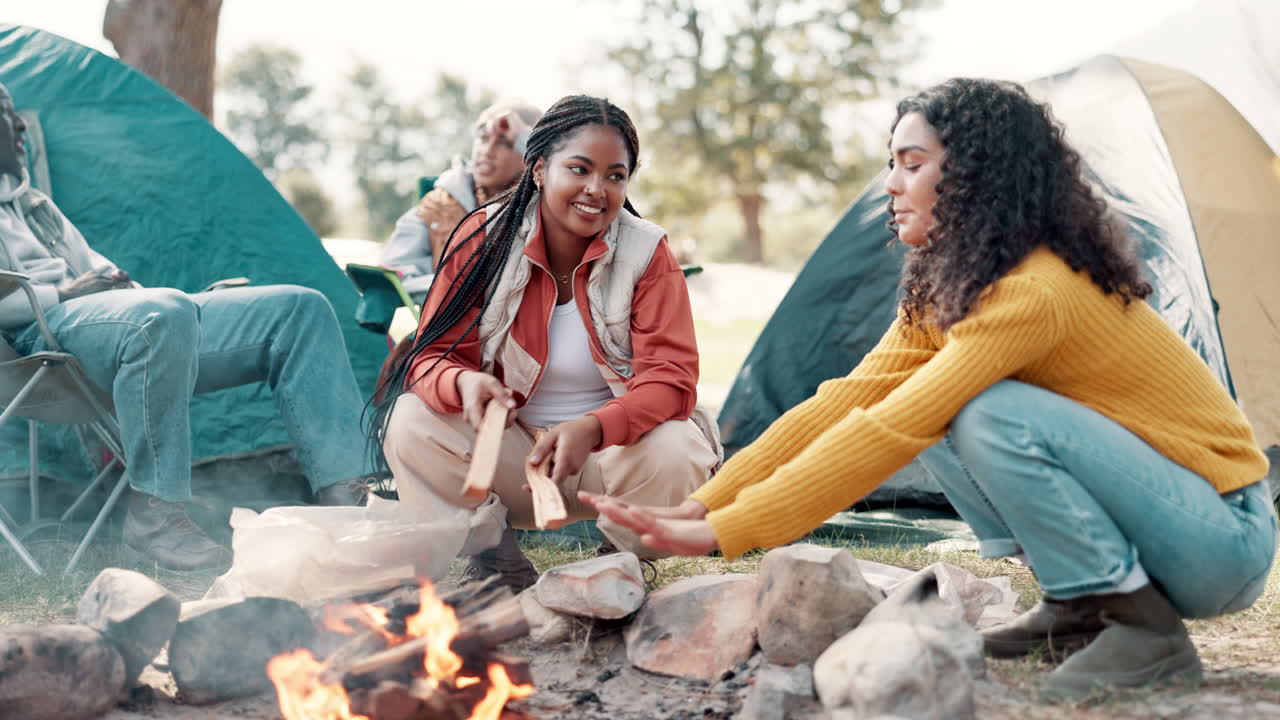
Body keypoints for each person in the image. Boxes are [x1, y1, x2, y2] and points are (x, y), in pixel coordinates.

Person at [583, 78, 1277, 697]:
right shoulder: (959, 289)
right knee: (944, 407)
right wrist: (704, 504)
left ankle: (1145, 629)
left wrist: (726, 532)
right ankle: (1080, 607)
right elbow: (848, 402)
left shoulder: (1035, 291)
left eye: (911, 165)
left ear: (979, 177)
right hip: (1173, 521)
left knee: (984, 412)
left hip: (1222, 538)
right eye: (891, 163)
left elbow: (891, 430)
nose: (890, 183)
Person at [0, 82, 373, 571]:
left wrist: (125, 287)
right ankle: (155, 514)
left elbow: (96, 268)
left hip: (124, 328)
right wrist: (68, 294)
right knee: (162, 313)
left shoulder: (34, 206)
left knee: (300, 310)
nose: (22, 124)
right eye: (7, 112)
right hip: (40, 344)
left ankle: (347, 500)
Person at [373, 95, 721, 592]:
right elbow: (428, 358)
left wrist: (594, 428)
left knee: (677, 444)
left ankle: (617, 562)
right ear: (538, 169)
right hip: (510, 462)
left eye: (615, 176)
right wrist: (464, 381)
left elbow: (672, 380)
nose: (596, 190)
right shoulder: (482, 238)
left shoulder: (647, 252)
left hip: (610, 464)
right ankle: (496, 560)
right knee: (410, 421)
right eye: (579, 169)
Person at [379, 101, 543, 305]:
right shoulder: (437, 206)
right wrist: (457, 289)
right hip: (446, 331)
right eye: (483, 138)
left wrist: (527, 137)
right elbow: (394, 273)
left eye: (504, 142)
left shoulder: (546, 208)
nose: (487, 151)